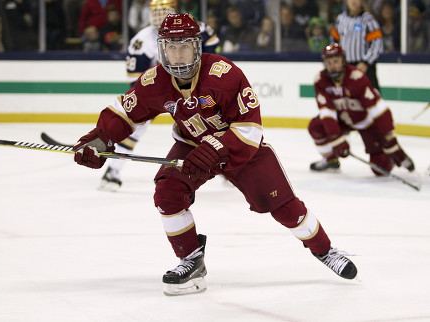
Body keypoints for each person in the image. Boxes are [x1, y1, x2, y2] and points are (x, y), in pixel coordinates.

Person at [73, 13, 358, 296]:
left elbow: (250, 130)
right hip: (192, 146)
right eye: (171, 46)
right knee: (168, 193)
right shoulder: (155, 80)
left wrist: (217, 148)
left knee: (286, 208)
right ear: (162, 49)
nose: (178, 54)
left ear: (197, 46)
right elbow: (125, 111)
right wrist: (100, 140)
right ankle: (191, 260)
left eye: (184, 45)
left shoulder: (224, 74)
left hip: (241, 150)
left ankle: (325, 250)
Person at [100, 0, 219, 191]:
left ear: (175, 11)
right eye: (155, 12)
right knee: (135, 126)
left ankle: (231, 169)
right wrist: (151, 98)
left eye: (164, 11)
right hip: (159, 92)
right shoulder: (141, 41)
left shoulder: (196, 28)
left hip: (193, 89)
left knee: (214, 124)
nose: (158, 16)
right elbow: (135, 79)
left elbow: (213, 52)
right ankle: (113, 171)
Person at [308, 43, 415, 175]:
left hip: (366, 123)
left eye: (336, 61)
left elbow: (378, 110)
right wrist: (336, 138)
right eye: (328, 62)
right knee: (316, 126)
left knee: (380, 168)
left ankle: (389, 159)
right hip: (343, 121)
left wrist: (388, 138)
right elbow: (327, 112)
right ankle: (330, 160)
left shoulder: (357, 77)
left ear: (343, 60)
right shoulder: (321, 80)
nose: (332, 66)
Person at [331, 0, 383, 91]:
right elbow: (334, 40)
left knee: (371, 98)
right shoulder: (341, 19)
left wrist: (366, 62)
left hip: (365, 67)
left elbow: (377, 43)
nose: (353, 1)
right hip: (345, 67)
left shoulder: (368, 20)